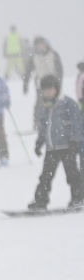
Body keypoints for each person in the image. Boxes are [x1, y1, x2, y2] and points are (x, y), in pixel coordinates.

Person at [27, 75, 83, 211]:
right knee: (45, 176)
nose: (48, 92)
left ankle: (78, 198)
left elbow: (77, 123)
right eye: (45, 90)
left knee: (72, 174)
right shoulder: (44, 107)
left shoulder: (67, 103)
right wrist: (39, 142)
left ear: (56, 89)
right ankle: (40, 200)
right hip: (52, 147)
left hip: (67, 146)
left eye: (50, 89)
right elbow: (43, 127)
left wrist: (75, 141)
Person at [24, 38, 63, 130]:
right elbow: (28, 71)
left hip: (54, 85)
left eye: (41, 44)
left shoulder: (53, 55)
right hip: (40, 85)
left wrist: (59, 82)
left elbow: (59, 70)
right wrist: (25, 84)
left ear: (45, 44)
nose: (40, 47)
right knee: (40, 104)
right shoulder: (34, 57)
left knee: (55, 103)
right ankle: (37, 123)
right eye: (37, 45)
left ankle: (57, 121)